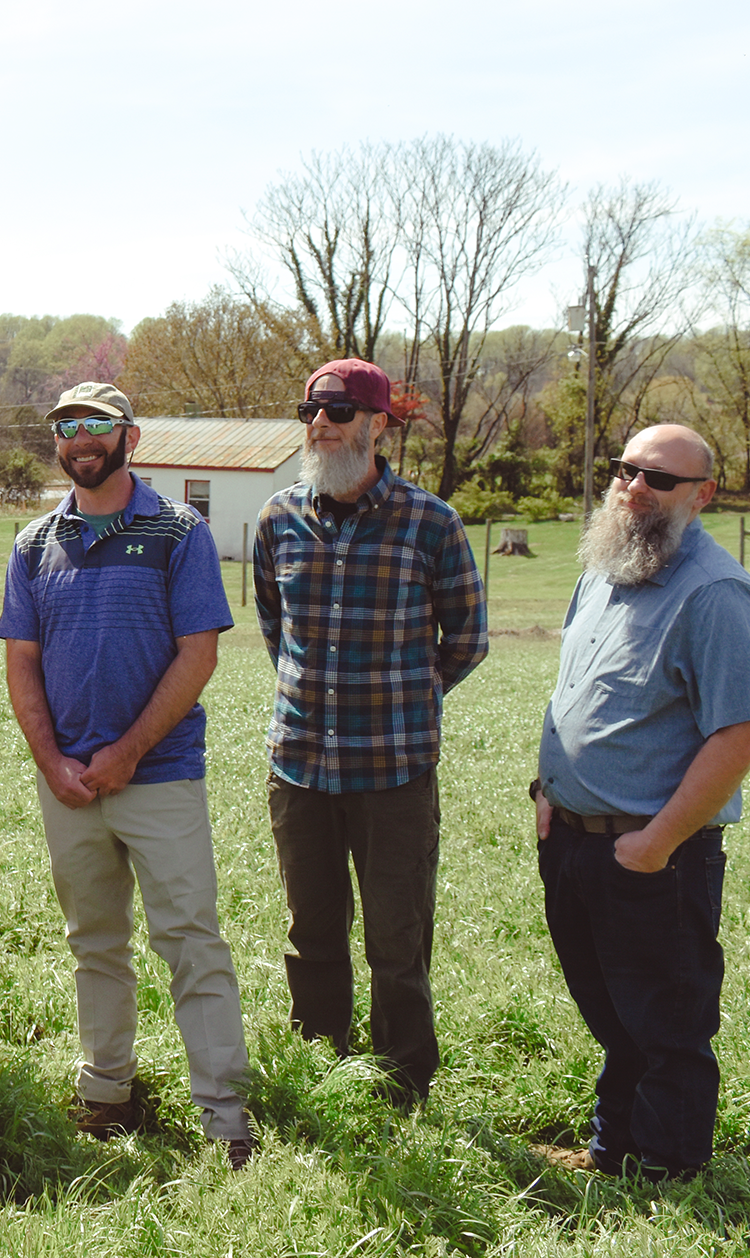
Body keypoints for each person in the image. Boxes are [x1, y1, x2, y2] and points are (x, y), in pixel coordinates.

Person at [0, 381, 255, 1167]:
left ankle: (223, 1118)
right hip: (69, 786)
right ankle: (106, 1091)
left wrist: (129, 752)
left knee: (190, 941)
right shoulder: (36, 542)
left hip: (159, 776)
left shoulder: (178, 531)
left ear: (129, 436)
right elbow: (23, 662)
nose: (80, 438)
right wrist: (52, 763)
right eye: (67, 426)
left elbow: (198, 653)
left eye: (97, 426)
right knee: (94, 944)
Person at [533, 424, 750, 1180]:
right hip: (574, 841)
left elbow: (736, 739)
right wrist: (546, 793)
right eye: (624, 470)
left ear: (701, 494)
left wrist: (658, 842)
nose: (633, 487)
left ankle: (670, 1170)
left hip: (651, 854)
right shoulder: (606, 567)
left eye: (657, 478)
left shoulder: (717, 593)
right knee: (611, 1008)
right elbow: (576, 691)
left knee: (667, 1018)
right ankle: (615, 1146)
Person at [252, 358, 487, 1106]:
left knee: (398, 938)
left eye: (341, 409)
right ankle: (322, 1069)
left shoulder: (432, 522)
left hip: (394, 773)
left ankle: (402, 1084)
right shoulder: (277, 518)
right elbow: (273, 626)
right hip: (299, 770)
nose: (321, 422)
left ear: (379, 424)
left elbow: (468, 638)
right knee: (309, 933)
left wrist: (405, 699)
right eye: (311, 409)